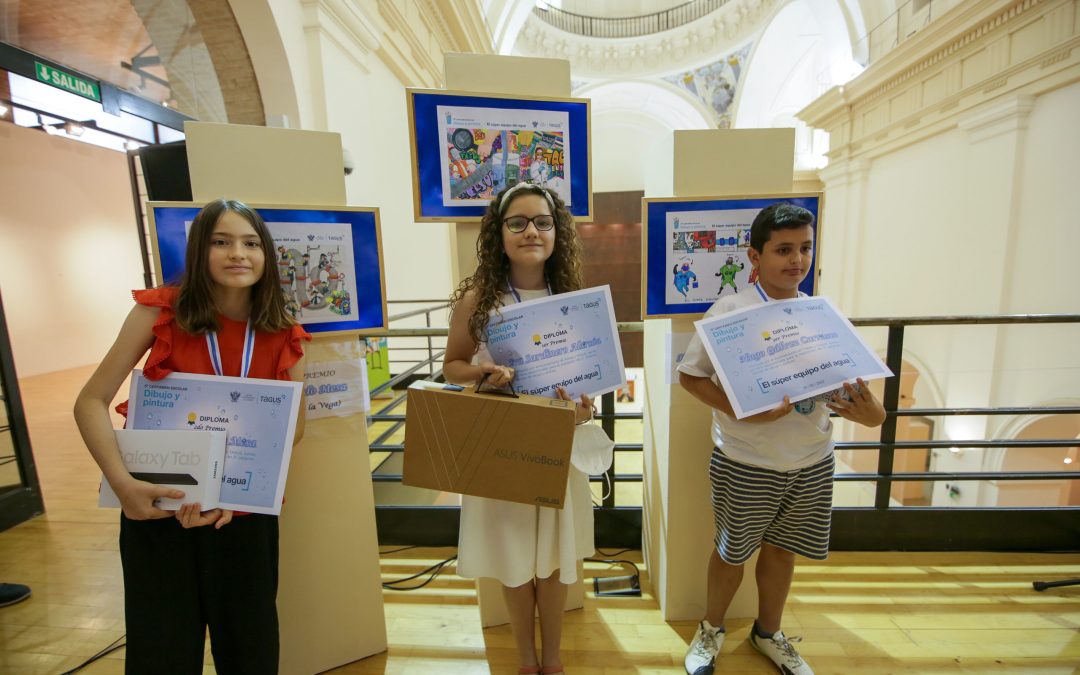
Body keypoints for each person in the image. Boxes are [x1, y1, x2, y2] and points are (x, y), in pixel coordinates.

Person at [74, 198, 309, 674]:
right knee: (161, 654)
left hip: (240, 517)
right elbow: (90, 402)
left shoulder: (282, 329)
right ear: (199, 250)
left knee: (251, 654)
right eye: (221, 241)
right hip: (157, 506)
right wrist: (124, 486)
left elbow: (293, 426)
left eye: (250, 243)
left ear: (266, 255)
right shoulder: (158, 313)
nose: (237, 253)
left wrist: (234, 493)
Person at [677, 202, 886, 675]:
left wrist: (871, 412)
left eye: (805, 248)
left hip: (812, 459)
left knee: (783, 549)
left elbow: (865, 401)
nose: (797, 259)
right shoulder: (731, 312)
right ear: (755, 256)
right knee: (731, 552)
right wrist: (742, 411)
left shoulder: (823, 315)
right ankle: (710, 631)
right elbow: (691, 376)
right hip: (746, 460)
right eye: (784, 249)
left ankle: (768, 633)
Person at [443, 182, 599, 675]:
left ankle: (552, 660)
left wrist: (585, 407)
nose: (531, 231)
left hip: (558, 443)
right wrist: (483, 372)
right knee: (514, 561)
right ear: (500, 232)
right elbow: (452, 367)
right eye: (518, 222)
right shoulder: (478, 299)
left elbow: (587, 377)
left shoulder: (572, 298)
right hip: (502, 445)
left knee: (554, 561)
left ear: (557, 232)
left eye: (542, 222)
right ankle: (526, 661)